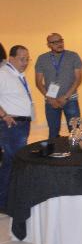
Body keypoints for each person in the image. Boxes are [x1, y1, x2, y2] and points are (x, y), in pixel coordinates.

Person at [0, 45, 33, 210]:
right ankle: (4, 202)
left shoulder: (18, 74)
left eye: (27, 59)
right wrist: (4, 115)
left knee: (14, 163)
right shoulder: (3, 74)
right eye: (22, 59)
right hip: (11, 125)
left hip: (21, 124)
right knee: (13, 163)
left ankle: (9, 200)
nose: (25, 62)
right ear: (11, 58)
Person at [34, 33, 82, 140]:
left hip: (71, 100)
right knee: (53, 132)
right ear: (48, 45)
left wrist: (65, 97)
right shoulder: (42, 59)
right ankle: (53, 150)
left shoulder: (73, 56)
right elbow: (38, 82)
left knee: (75, 132)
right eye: (54, 42)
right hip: (51, 101)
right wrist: (50, 99)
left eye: (60, 41)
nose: (59, 44)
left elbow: (78, 79)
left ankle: (75, 151)